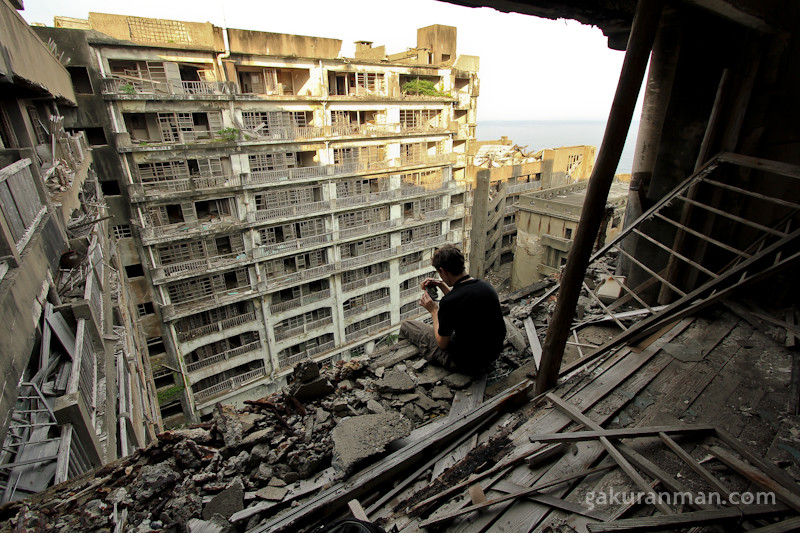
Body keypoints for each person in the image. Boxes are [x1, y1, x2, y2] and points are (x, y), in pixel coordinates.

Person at [399, 244, 506, 376]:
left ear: (443, 271)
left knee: (407, 325)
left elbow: (442, 343)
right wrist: (442, 285)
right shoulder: (486, 287)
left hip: (466, 363)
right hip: (491, 354)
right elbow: (461, 300)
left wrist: (433, 311)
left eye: (440, 273)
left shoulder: (449, 302)